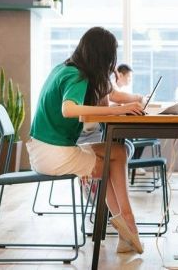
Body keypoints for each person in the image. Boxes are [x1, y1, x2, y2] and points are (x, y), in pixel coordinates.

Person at [26, 27, 144, 254]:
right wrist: (123, 110)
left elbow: (100, 102)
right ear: (103, 56)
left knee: (117, 151)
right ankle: (127, 223)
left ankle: (125, 226)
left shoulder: (64, 68)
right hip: (53, 153)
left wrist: (116, 104)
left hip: (44, 149)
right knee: (106, 165)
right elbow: (68, 109)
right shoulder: (77, 76)